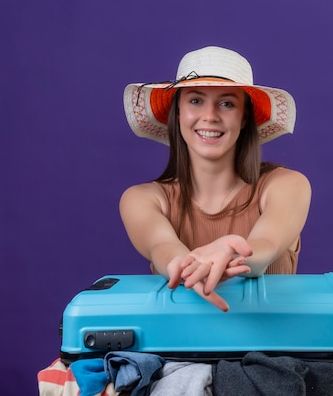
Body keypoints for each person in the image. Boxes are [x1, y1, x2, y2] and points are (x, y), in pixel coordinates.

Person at [119, 46, 311, 312]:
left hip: (276, 351)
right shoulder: (141, 199)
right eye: (195, 101)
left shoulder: (287, 185)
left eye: (227, 103)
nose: (210, 116)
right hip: (180, 350)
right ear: (177, 113)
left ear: (244, 117)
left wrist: (233, 253)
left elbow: (265, 245)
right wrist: (186, 264)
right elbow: (162, 246)